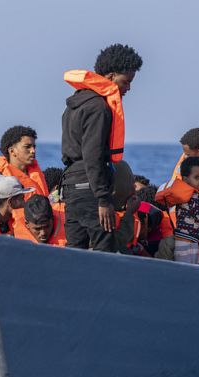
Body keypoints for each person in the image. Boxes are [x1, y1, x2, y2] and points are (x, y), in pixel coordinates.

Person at [61, 43, 143, 251]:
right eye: (126, 82)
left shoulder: (75, 104)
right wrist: (103, 200)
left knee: (75, 249)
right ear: (112, 76)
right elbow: (93, 155)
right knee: (103, 249)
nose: (129, 88)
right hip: (90, 187)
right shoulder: (99, 108)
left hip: (70, 185)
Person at [0, 126, 49, 196]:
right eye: (27, 147)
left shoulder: (40, 176)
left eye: (34, 147)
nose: (33, 151)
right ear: (12, 151)